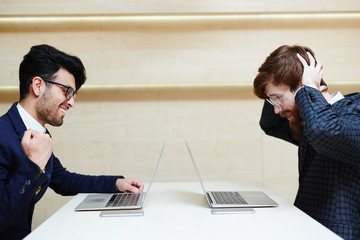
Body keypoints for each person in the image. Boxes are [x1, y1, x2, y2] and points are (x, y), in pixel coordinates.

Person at [0, 44, 144, 239]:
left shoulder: (40, 135)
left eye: (73, 94)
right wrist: (32, 165)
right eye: (67, 91)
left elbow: (63, 180)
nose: (71, 102)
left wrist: (117, 183)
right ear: (38, 85)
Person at [253, 45, 360, 240]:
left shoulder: (353, 112)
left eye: (278, 99)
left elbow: (325, 132)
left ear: (304, 86)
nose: (276, 110)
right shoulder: (308, 122)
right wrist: (281, 77)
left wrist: (308, 87)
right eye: (272, 102)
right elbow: (270, 124)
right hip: (306, 229)